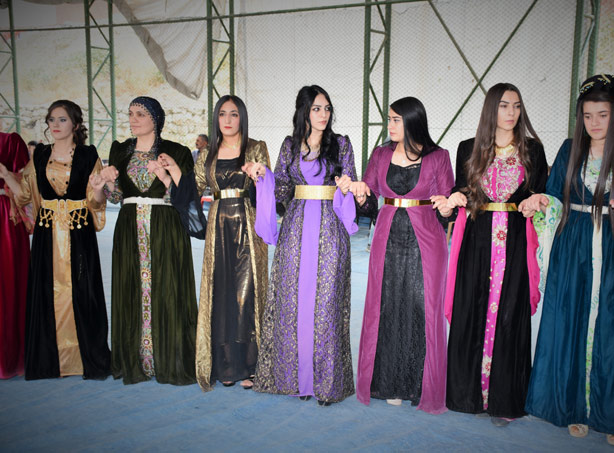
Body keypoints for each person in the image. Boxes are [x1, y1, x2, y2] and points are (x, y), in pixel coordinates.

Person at [521, 74, 614, 446]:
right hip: (573, 246)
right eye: (587, 115)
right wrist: (541, 202)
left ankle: (611, 417)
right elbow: (555, 196)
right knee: (570, 324)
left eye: (603, 114)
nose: (594, 123)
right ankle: (573, 411)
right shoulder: (570, 149)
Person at [441, 83, 547, 425]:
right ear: (491, 109)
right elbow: (460, 191)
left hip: (515, 241)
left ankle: (505, 398)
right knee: (472, 307)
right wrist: (454, 199)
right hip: (476, 240)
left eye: (516, 105)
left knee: (510, 312)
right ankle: (468, 395)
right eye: (503, 105)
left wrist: (538, 202)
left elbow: (542, 194)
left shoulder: (533, 150)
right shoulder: (468, 148)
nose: (511, 112)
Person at [249, 85, 359, 406]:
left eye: (327, 108)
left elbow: (351, 181)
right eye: (316, 109)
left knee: (326, 302)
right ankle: (295, 379)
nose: (324, 114)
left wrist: (347, 185)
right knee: (293, 301)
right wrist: (263, 177)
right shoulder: (289, 145)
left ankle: (327, 383)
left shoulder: (341, 144)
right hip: (295, 230)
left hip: (330, 230)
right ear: (304, 112)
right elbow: (282, 188)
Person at [163, 95, 270, 391]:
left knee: (247, 295)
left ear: (242, 117)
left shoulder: (256, 148)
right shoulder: (208, 153)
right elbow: (193, 188)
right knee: (221, 295)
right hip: (218, 227)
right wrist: (172, 171)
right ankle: (226, 365)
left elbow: (268, 188)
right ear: (216, 118)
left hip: (249, 227)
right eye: (222, 114)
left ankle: (251, 365)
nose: (228, 120)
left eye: (234, 114)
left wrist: (260, 175)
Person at [353, 96, 453, 414]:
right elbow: (369, 200)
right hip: (387, 239)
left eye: (396, 119)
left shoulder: (438, 156)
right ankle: (389, 383)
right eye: (389, 119)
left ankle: (417, 385)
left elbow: (448, 203)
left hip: (427, 242)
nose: (390, 125)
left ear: (412, 121)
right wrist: (360, 195)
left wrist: (447, 205)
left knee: (421, 307)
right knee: (387, 306)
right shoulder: (381, 154)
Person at [0, 100, 111, 380]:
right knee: (47, 291)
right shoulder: (39, 155)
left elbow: (95, 200)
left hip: (79, 232)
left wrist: (99, 189)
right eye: (51, 119)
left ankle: (84, 359)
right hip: (47, 233)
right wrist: (6, 176)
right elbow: (25, 195)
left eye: (62, 119)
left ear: (75, 124)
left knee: (83, 290)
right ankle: (51, 360)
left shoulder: (88, 155)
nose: (56, 125)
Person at [100, 96, 198, 385]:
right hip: (129, 227)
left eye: (140, 114)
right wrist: (107, 182)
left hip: (166, 227)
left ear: (156, 119)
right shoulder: (120, 150)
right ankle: (136, 360)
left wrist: (167, 175)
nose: (133, 119)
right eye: (131, 113)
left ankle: (169, 358)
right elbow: (117, 197)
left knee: (168, 287)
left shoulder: (176, 151)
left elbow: (186, 197)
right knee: (131, 285)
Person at [0, 132, 30, 378]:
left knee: (9, 282)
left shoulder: (10, 142)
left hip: (5, 218)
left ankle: (10, 355)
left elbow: (25, 186)